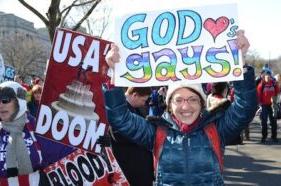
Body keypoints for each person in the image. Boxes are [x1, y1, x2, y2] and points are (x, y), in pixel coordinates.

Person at [102, 30, 258, 185]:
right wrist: (115, 72)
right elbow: (119, 119)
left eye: (193, 99)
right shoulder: (156, 132)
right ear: (170, 105)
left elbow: (246, 106)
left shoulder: (217, 129)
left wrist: (240, 60)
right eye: (178, 100)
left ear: (202, 103)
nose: (186, 106)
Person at [0, 81, 75, 185]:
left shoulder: (39, 127)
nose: (1, 105)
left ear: (19, 101)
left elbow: (71, 156)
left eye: (5, 100)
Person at [109, 87, 154, 186]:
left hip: (138, 168)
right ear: (135, 95)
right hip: (131, 169)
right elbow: (118, 134)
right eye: (143, 100)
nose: (144, 103)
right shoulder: (120, 110)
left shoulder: (132, 109)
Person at [257, 71, 279, 143]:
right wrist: (259, 103)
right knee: (264, 121)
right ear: (264, 77)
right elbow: (258, 94)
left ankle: (274, 136)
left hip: (272, 105)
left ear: (271, 77)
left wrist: (277, 85)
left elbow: (277, 92)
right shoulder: (261, 85)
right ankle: (264, 137)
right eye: (267, 77)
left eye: (269, 77)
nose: (268, 78)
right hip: (264, 105)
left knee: (273, 121)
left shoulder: (274, 84)